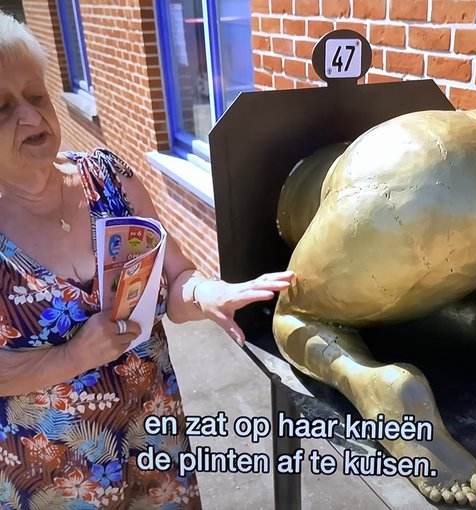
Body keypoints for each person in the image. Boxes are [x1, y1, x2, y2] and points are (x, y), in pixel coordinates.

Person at [0, 12, 293, 509]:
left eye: (36, 96)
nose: (31, 118)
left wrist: (208, 294)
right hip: (56, 474)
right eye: (2, 108)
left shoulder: (108, 178)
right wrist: (72, 357)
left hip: (155, 443)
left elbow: (176, 278)